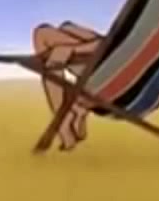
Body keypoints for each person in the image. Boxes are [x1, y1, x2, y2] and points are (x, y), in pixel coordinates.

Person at [31, 21, 105, 151]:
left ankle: (65, 121)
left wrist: (71, 49)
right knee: (65, 28)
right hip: (108, 62)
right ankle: (73, 113)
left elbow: (108, 43)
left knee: (46, 41)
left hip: (104, 65)